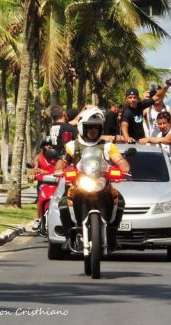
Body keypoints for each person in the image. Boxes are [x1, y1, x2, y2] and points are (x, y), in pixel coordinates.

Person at [54, 107, 130, 250]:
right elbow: (62, 162)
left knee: (119, 200)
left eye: (96, 127)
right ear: (82, 128)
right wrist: (60, 170)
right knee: (64, 202)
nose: (93, 130)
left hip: (103, 183)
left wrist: (123, 167)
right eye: (89, 127)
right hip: (78, 185)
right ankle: (68, 237)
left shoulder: (108, 146)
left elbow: (119, 160)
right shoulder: (72, 146)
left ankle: (113, 234)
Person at [121, 75, 171, 143]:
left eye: (134, 97)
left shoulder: (141, 105)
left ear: (138, 99)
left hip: (144, 142)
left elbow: (157, 96)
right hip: (132, 142)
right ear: (126, 100)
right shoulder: (127, 112)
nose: (132, 100)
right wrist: (127, 138)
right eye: (130, 98)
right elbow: (124, 126)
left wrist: (167, 86)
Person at [139, 111, 171, 178]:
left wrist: (148, 139)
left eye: (164, 123)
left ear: (169, 123)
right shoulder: (159, 135)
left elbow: (168, 140)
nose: (162, 126)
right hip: (164, 167)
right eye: (160, 124)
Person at [29, 136, 59, 229]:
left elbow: (61, 169)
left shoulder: (58, 157)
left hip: (56, 182)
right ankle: (38, 219)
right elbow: (35, 169)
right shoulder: (38, 157)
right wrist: (32, 174)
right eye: (46, 145)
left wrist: (45, 171)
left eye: (50, 145)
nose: (49, 147)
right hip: (43, 183)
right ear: (43, 146)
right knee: (40, 199)